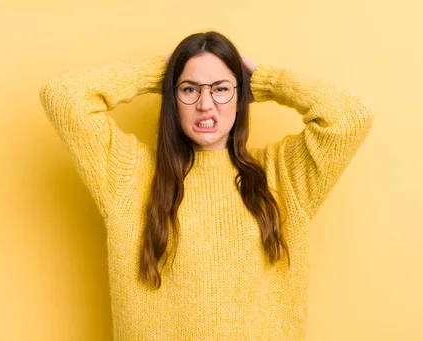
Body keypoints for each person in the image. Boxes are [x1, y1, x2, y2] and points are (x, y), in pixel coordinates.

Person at [39, 31, 374, 340]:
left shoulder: (283, 174)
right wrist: (160, 71)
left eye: (220, 88)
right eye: (190, 89)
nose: (205, 103)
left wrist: (265, 81)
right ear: (172, 97)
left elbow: (349, 116)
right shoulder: (129, 174)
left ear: (241, 96)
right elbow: (64, 98)